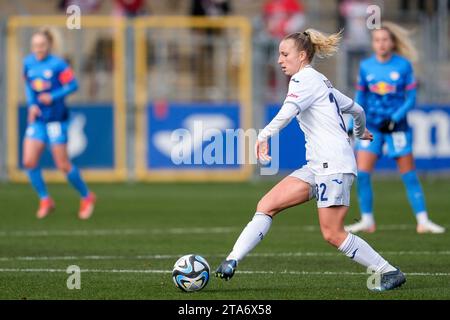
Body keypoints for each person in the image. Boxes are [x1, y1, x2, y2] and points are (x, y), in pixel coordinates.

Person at [215, 29, 406, 291]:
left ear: (302, 55)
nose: (280, 60)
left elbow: (288, 112)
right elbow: (357, 110)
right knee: (267, 204)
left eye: (285, 54)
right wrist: (361, 132)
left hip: (333, 165)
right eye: (279, 54)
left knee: (332, 234)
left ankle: (389, 271)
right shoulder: (321, 81)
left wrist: (263, 136)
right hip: (318, 166)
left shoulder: (303, 79)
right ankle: (232, 260)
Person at [344, 22, 445, 234]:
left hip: (396, 128)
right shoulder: (366, 66)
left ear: (392, 43)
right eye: (377, 40)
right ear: (373, 44)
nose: (381, 44)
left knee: (408, 174)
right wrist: (353, 122)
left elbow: (411, 98)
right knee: (362, 173)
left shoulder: (403, 66)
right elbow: (360, 96)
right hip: (372, 127)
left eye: (385, 40)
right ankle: (367, 220)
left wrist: (395, 118)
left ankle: (423, 220)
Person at [22, 28, 96, 219]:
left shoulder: (58, 65)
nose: (38, 49)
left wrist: (53, 96)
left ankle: (87, 196)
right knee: (29, 161)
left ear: (49, 46)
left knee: (62, 164)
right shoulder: (28, 63)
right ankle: (45, 199)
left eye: (42, 45)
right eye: (35, 46)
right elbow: (29, 86)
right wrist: (31, 105)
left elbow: (73, 85)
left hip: (56, 119)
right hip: (38, 119)